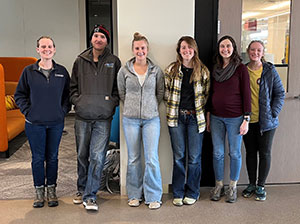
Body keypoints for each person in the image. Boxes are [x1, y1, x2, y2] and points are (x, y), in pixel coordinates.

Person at [14, 36, 71, 208]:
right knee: (38, 158)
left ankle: (51, 190)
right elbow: (19, 95)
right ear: (37, 49)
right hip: (35, 123)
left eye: (50, 46)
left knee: (52, 157)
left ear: (54, 49)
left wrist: (62, 111)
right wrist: (28, 111)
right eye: (43, 46)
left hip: (55, 123)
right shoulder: (28, 71)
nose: (47, 49)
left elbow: (68, 95)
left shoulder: (62, 72)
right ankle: (39, 191)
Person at [70, 24, 121, 211]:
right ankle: (81, 188)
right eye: (96, 36)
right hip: (82, 117)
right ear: (92, 39)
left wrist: (110, 104)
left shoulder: (114, 61)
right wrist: (79, 101)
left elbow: (118, 89)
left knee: (97, 157)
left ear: (107, 41)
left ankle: (90, 195)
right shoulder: (80, 60)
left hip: (103, 118)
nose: (98, 39)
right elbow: (72, 87)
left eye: (102, 37)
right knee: (82, 155)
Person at [117, 32, 164, 210]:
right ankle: (135, 194)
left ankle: (153, 196)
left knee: (151, 158)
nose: (140, 51)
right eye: (137, 48)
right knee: (133, 158)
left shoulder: (156, 70)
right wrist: (132, 106)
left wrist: (150, 107)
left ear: (147, 49)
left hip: (151, 119)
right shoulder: (124, 70)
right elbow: (121, 93)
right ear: (133, 50)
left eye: (143, 48)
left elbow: (160, 93)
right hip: (130, 119)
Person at [164, 36, 210, 206]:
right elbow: (166, 94)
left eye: (189, 47)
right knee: (178, 157)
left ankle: (193, 192)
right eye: (183, 47)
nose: (186, 51)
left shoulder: (203, 71)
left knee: (194, 158)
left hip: (195, 119)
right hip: (176, 118)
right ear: (179, 50)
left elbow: (206, 95)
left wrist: (195, 111)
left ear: (194, 50)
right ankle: (177, 192)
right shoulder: (171, 69)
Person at [207, 35, 251, 203]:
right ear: (219, 49)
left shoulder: (240, 69)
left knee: (234, 153)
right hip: (216, 117)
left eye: (228, 46)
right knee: (217, 153)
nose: (225, 49)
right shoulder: (216, 68)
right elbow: (211, 94)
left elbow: (247, 95)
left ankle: (232, 186)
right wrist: (209, 116)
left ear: (233, 48)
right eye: (222, 46)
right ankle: (219, 185)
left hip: (235, 118)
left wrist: (246, 118)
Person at [242, 40, 285, 201]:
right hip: (248, 121)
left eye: (259, 50)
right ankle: (251, 184)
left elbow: (280, 93)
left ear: (263, 52)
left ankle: (261, 186)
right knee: (251, 153)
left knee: (265, 153)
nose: (255, 53)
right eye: (252, 50)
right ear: (248, 51)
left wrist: (273, 113)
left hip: (267, 122)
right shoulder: (243, 70)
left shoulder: (269, 70)